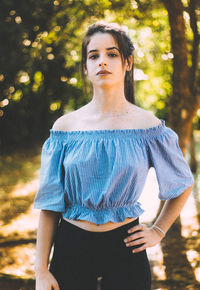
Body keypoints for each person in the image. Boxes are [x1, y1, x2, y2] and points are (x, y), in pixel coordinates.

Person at [33, 21, 194, 290]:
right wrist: (40, 270)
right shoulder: (65, 128)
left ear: (127, 63)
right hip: (71, 247)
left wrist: (158, 230)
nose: (102, 62)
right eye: (93, 56)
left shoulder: (148, 127)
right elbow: (50, 205)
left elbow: (183, 182)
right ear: (85, 67)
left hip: (126, 247)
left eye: (112, 54)